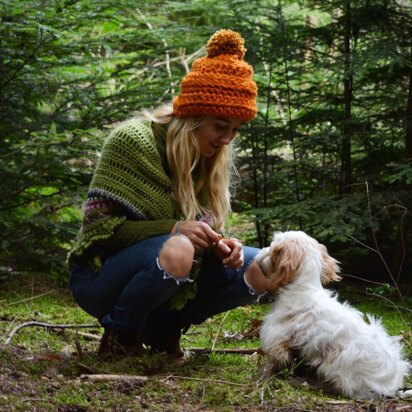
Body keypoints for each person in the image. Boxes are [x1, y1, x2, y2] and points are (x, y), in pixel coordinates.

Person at [67, 29, 269, 359]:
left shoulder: (208, 160)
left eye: (235, 129)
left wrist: (219, 244)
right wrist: (174, 230)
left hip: (173, 268)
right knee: (178, 248)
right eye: (220, 126)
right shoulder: (132, 142)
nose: (227, 140)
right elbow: (99, 231)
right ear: (193, 115)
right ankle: (121, 333)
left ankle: (166, 329)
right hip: (99, 277)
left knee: (264, 265)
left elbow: (195, 235)